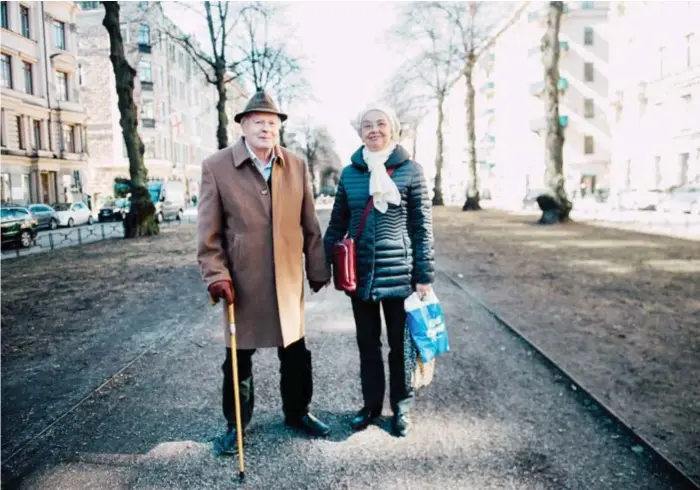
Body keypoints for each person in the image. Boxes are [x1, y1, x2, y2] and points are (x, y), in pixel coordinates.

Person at [197, 91, 332, 455]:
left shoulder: (297, 165)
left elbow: (309, 223)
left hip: (286, 278)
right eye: (258, 121)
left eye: (272, 123)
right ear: (242, 124)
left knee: (295, 351)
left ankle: (298, 412)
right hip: (242, 280)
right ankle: (235, 425)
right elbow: (208, 234)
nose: (266, 128)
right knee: (238, 357)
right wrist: (216, 275)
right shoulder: (216, 166)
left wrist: (317, 267)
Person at [323, 105, 435, 437]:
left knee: (401, 347)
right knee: (367, 344)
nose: (374, 130)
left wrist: (424, 274)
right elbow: (337, 224)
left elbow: (422, 227)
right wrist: (322, 265)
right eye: (367, 125)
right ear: (360, 133)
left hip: (401, 276)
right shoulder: (349, 174)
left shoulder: (411, 171)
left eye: (381, 124)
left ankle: (401, 408)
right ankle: (371, 407)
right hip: (361, 276)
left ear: (393, 129)